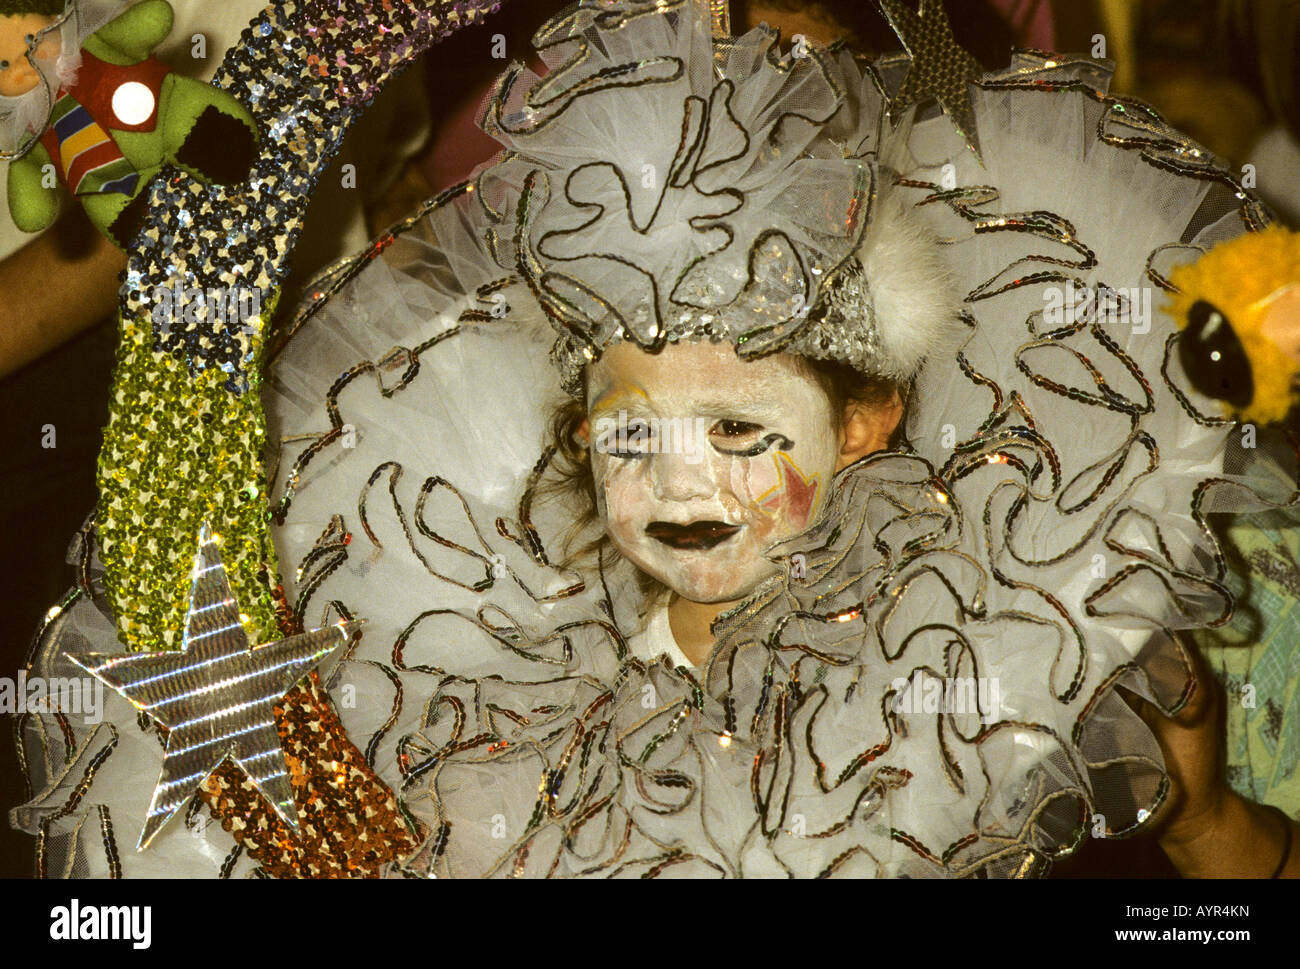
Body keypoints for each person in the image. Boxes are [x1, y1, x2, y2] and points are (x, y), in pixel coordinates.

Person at [11, 0, 1298, 878]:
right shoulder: (444, 691)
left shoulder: (1034, 665)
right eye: (632, 435)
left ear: (866, 416)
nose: (683, 483)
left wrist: (1204, 832)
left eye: (741, 426)